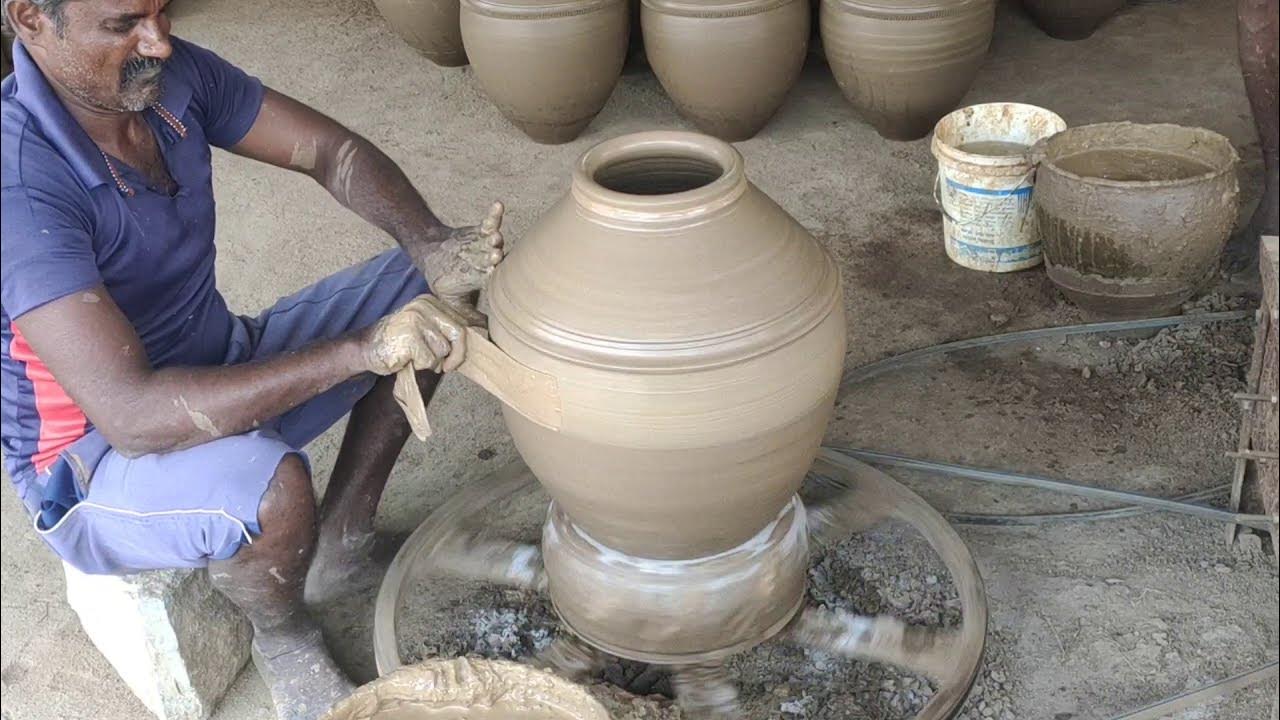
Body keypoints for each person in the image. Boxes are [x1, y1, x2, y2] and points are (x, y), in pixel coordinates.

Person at [0, 1, 505, 717]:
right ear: (30, 19)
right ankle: (284, 635)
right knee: (273, 487)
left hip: (219, 360)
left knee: (432, 290)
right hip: (93, 461)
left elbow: (334, 153)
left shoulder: (162, 80)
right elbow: (134, 418)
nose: (160, 41)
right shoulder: (19, 186)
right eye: (123, 25)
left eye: (161, 10)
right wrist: (362, 350)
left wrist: (430, 243)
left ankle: (341, 546)